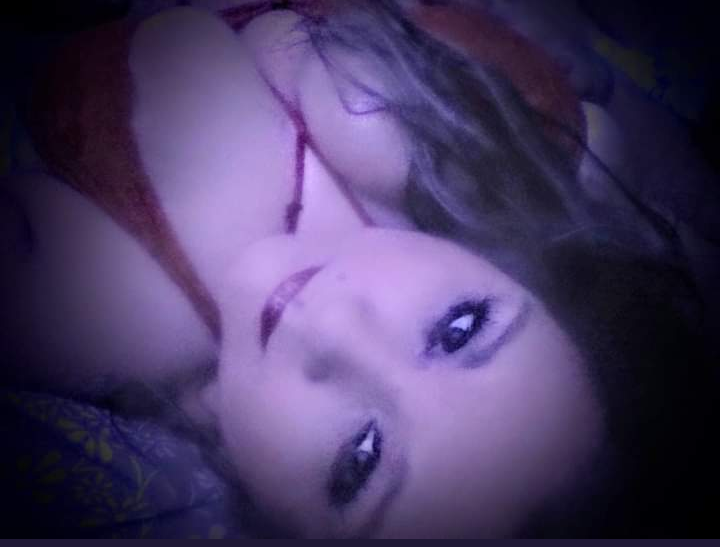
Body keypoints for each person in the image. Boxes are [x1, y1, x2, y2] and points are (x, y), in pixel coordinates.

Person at [1, 0, 716, 538]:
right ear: (520, 271)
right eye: (457, 329)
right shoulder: (402, 143)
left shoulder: (108, 332)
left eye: (358, 461)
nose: (339, 330)